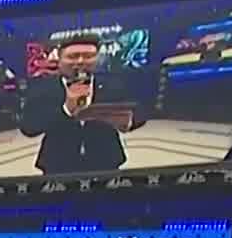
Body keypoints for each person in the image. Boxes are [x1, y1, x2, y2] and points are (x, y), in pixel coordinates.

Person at [19, 35, 144, 175]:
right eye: (73, 56)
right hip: (56, 164)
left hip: (106, 161)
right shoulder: (43, 88)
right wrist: (66, 109)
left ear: (97, 59)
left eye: (88, 56)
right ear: (59, 59)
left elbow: (140, 113)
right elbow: (28, 127)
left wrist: (128, 122)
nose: (80, 61)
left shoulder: (113, 84)